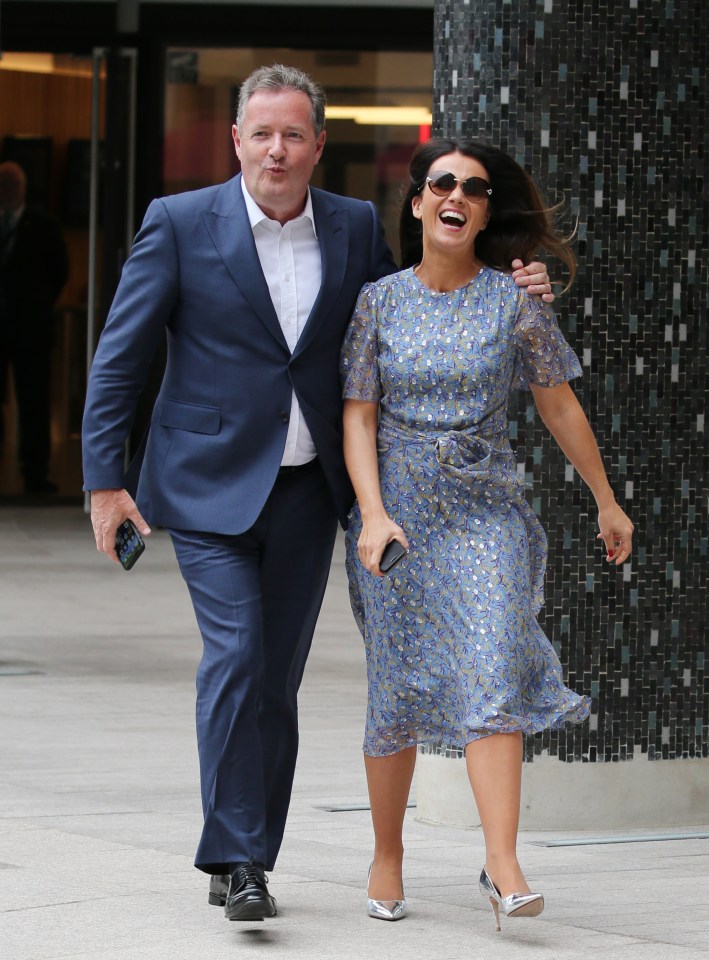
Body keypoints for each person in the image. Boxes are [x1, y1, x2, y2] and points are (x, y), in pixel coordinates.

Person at [82, 65, 553, 923]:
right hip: (207, 488)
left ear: (317, 146)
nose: (277, 149)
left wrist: (515, 288)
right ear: (236, 141)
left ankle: (248, 854)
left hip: (308, 495)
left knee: (278, 680)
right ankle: (238, 857)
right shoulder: (178, 224)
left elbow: (408, 305)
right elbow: (120, 356)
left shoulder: (348, 227)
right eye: (261, 133)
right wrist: (103, 481)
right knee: (236, 656)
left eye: (293, 134)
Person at [340, 138, 634, 928]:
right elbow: (358, 413)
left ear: (482, 211)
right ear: (416, 202)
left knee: (495, 657)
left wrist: (605, 499)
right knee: (396, 688)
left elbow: (558, 403)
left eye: (473, 189)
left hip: (484, 510)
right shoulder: (380, 301)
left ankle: (502, 862)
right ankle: (387, 855)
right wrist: (371, 511)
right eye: (442, 183)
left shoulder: (515, 303)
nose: (456, 196)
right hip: (395, 512)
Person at [0, 161, 69, 494]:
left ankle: (35, 473)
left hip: (31, 328)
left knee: (34, 403)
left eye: (13, 185)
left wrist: (36, 304)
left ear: (24, 189)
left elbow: (59, 271)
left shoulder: (43, 226)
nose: (8, 191)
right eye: (3, 185)